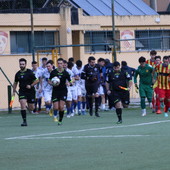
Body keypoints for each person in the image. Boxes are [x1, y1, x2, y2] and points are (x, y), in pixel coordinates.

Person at [13, 58, 39, 126]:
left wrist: (31, 85)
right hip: (22, 91)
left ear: (25, 64)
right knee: (22, 104)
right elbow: (15, 83)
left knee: (31, 108)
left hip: (30, 91)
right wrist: (13, 91)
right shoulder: (17, 74)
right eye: (20, 64)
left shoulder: (30, 72)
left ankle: (31, 104)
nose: (21, 65)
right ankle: (24, 121)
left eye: (23, 64)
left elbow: (37, 80)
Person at [49, 58, 71, 125]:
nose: (60, 65)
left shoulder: (66, 73)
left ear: (63, 64)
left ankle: (60, 120)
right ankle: (52, 109)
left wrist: (69, 83)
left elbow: (70, 81)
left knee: (61, 107)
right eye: (58, 63)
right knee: (56, 107)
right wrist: (52, 83)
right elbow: (49, 80)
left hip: (63, 91)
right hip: (55, 91)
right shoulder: (53, 72)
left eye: (61, 63)